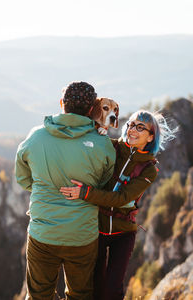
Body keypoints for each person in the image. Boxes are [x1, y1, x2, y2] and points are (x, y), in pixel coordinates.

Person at [60, 109, 177, 300]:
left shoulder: (149, 169)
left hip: (123, 231)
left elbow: (121, 198)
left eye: (140, 127)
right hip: (96, 225)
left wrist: (85, 193)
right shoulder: (111, 147)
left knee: (112, 291)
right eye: (131, 124)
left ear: (150, 137)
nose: (132, 130)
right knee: (95, 285)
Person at [15, 81, 116, 300]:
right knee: (80, 295)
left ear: (61, 103)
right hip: (82, 235)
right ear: (92, 110)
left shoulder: (36, 137)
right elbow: (104, 183)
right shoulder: (102, 144)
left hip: (43, 233)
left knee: (39, 296)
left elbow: (22, 177)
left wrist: (45, 189)